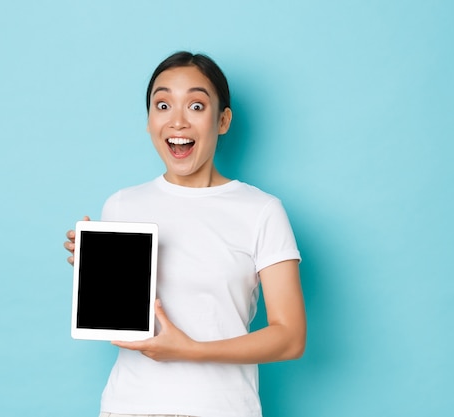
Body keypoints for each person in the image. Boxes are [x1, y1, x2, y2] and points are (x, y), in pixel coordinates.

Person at [64, 51, 306, 417]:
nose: (177, 121)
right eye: (162, 105)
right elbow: (122, 318)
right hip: (129, 406)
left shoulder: (262, 211)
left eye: (196, 106)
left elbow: (290, 337)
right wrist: (96, 273)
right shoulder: (121, 205)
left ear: (222, 120)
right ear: (148, 120)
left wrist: (191, 349)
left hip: (223, 409)